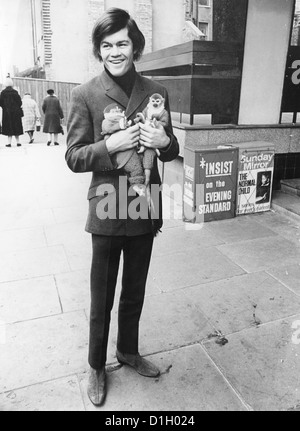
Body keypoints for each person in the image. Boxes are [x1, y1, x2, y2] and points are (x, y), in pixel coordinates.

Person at [65, 8, 179, 407]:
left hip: (145, 205)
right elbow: (74, 157)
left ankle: (127, 351)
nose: (115, 52)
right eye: (107, 45)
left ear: (135, 47)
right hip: (108, 208)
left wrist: (164, 143)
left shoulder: (156, 90)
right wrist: (109, 146)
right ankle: (96, 364)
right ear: (100, 50)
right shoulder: (85, 94)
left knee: (135, 290)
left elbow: (173, 147)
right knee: (103, 296)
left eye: (122, 43)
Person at [0, 77, 23, 147]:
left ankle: (9, 143)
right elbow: (20, 102)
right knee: (16, 126)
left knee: (8, 126)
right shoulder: (15, 92)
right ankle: (18, 142)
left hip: (7, 112)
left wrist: (4, 107)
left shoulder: (3, 92)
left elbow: (0, 102)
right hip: (15, 112)